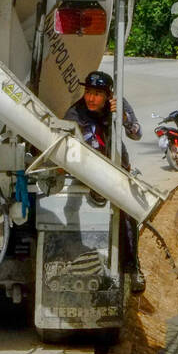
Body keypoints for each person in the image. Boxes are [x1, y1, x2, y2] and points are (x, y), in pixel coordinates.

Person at [64, 70, 145, 293]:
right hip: (88, 173)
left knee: (127, 213)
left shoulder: (119, 105)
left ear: (107, 95)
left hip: (117, 169)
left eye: (97, 94)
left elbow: (137, 133)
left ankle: (132, 269)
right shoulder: (75, 113)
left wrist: (123, 118)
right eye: (88, 92)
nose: (91, 98)